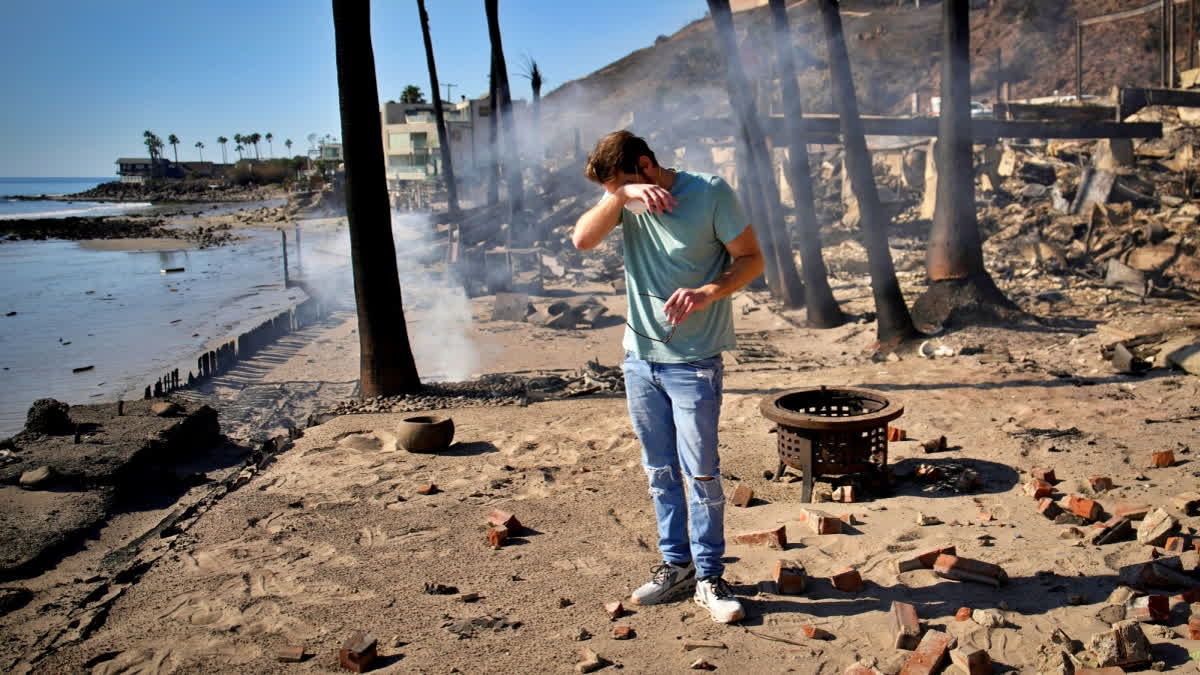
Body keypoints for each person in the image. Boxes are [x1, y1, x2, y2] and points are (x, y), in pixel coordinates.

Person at [572, 130, 765, 624]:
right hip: (639, 361)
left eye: (622, 182)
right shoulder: (624, 203)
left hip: (695, 362)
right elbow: (582, 240)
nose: (614, 196)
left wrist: (705, 292)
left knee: (700, 473)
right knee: (659, 472)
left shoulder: (710, 193)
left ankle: (708, 577)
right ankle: (675, 568)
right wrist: (620, 195)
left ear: (647, 165)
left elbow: (751, 259)